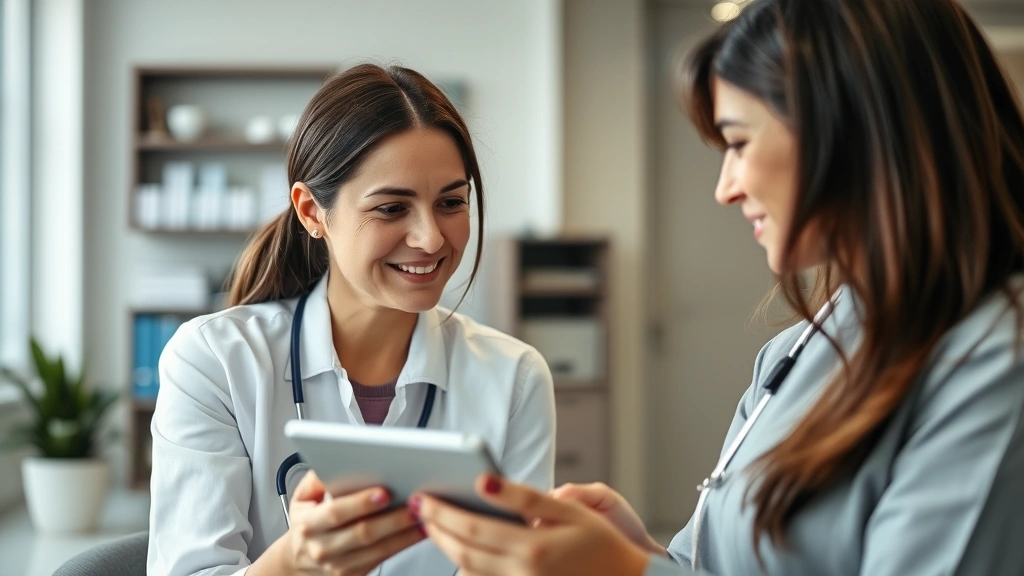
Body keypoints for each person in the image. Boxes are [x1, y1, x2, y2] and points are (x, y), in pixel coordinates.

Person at [412, 0, 1024, 574]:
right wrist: (644, 552)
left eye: (738, 143)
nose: (725, 187)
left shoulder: (996, 363)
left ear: (855, 131)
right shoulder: (798, 350)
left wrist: (628, 572)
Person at [147, 64, 556, 576]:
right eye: (390, 208)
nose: (431, 239)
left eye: (451, 202)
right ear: (313, 212)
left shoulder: (514, 377)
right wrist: (295, 562)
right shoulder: (214, 361)